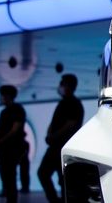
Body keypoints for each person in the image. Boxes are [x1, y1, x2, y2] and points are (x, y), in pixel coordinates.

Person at [38, 74, 84, 203]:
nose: (60, 87)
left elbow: (70, 125)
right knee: (50, 175)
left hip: (62, 147)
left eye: (63, 84)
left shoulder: (74, 104)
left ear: (69, 86)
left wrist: (53, 135)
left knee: (59, 178)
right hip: (55, 146)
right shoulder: (63, 103)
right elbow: (54, 122)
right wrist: (49, 134)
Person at [0, 85, 27, 203]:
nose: (1, 97)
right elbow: (0, 130)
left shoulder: (17, 109)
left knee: (10, 178)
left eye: (3, 95)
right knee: (7, 178)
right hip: (3, 149)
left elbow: (15, 129)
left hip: (11, 149)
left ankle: (11, 199)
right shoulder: (4, 112)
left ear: (8, 96)